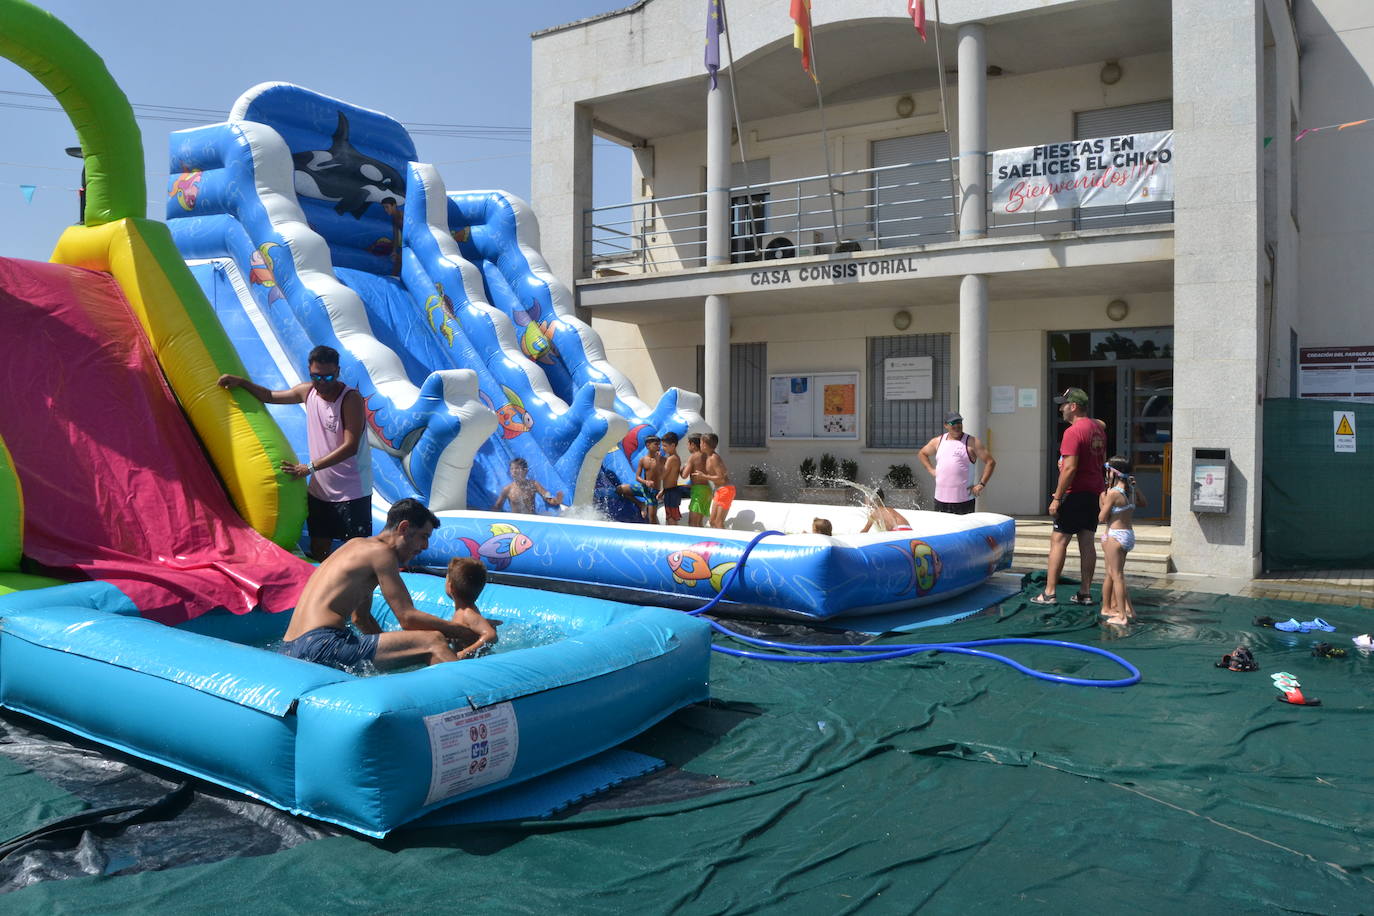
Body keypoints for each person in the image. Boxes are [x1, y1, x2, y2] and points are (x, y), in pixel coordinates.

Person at [280, 499, 492, 670]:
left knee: (420, 645)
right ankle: (473, 702)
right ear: (404, 527)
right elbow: (408, 618)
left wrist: (400, 652)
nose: (425, 546)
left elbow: (361, 619)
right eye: (423, 536)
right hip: (322, 643)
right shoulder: (382, 553)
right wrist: (462, 631)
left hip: (292, 648)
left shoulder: (357, 546)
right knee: (433, 641)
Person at [219, 344, 371, 561]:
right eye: (316, 376)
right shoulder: (307, 391)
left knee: (358, 553)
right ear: (310, 372)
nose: (321, 383)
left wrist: (309, 467)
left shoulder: (350, 399)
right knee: (319, 549)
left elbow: (350, 446)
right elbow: (270, 396)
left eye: (328, 377)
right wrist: (242, 383)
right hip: (320, 490)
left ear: (337, 372)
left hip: (352, 491)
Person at [1031, 387, 1108, 607]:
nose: (1061, 409)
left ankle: (1049, 593)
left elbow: (1070, 468)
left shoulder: (1072, 432)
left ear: (1073, 406)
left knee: (1059, 541)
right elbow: (1101, 425)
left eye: (1064, 405)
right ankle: (1085, 592)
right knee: (1087, 541)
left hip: (1074, 493)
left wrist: (1057, 497)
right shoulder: (1097, 428)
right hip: (1094, 492)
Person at [1098, 456, 1147, 626]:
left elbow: (1102, 518)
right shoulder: (1131, 491)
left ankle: (1122, 616)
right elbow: (1144, 503)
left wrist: (1104, 504)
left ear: (1113, 473)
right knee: (1118, 574)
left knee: (1116, 576)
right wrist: (1135, 487)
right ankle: (1129, 610)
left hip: (1115, 535)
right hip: (1128, 534)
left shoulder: (1113, 493)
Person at [917, 411, 996, 514]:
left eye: (959, 422)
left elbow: (990, 462)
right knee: (942, 525)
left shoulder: (972, 442)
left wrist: (981, 484)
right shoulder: (938, 441)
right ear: (946, 425)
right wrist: (931, 470)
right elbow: (922, 453)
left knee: (965, 525)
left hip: (963, 501)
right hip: (940, 499)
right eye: (953, 423)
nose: (957, 426)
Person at [446, 556, 500, 658]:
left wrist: (464, 653)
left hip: (473, 661)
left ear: (450, 587)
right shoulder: (463, 612)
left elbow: (491, 635)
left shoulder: (467, 613)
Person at [493, 457, 563, 514]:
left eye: (517, 468)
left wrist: (556, 500)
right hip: (516, 521)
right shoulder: (507, 489)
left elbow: (548, 497)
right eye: (512, 469)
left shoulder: (534, 485)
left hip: (531, 519)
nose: (514, 471)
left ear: (525, 471)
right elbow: (497, 507)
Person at [700, 433, 733, 528]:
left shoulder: (714, 458)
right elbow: (725, 471)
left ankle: (725, 538)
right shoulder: (709, 457)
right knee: (712, 522)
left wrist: (704, 476)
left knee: (718, 522)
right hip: (720, 490)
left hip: (725, 490)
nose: (700, 445)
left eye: (701, 443)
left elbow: (721, 477)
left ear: (705, 444)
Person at [658, 432, 690, 525]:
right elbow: (670, 478)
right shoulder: (674, 458)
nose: (663, 448)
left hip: (671, 492)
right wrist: (663, 491)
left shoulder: (671, 459)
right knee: (670, 517)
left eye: (665, 446)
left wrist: (657, 461)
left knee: (671, 518)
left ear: (673, 445)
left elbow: (662, 476)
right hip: (670, 490)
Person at [633, 435, 663, 524]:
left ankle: (655, 531)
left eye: (659, 444)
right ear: (648, 446)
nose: (659, 447)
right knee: (621, 489)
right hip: (644, 488)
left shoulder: (662, 459)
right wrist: (645, 482)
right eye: (656, 444)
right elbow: (637, 477)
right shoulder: (643, 460)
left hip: (653, 492)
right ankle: (641, 504)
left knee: (652, 517)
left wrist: (658, 460)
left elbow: (663, 474)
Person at [682, 433, 710, 527]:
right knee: (699, 522)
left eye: (688, 444)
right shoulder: (706, 455)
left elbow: (684, 475)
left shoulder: (693, 456)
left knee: (692, 523)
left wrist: (681, 469)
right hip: (707, 489)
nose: (687, 447)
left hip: (698, 491)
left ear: (693, 445)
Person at [381, 197, 403, 277]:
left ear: (394, 205)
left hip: (413, 240)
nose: (385, 210)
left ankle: (394, 276)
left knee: (399, 259)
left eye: (387, 207)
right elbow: (396, 235)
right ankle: (394, 276)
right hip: (407, 241)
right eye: (384, 208)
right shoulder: (394, 218)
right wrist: (394, 251)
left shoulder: (402, 216)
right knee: (397, 258)